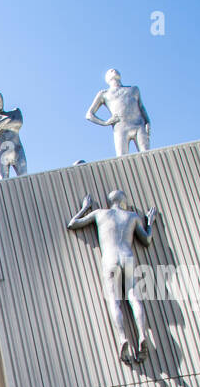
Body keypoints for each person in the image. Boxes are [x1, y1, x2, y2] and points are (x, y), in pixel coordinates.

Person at [67, 189, 158, 364]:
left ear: (110, 202)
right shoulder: (132, 216)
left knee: (113, 300)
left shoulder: (100, 213)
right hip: (127, 256)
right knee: (134, 297)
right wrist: (150, 222)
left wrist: (85, 207)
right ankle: (142, 335)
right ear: (123, 201)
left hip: (109, 258)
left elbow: (73, 223)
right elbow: (146, 240)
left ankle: (122, 338)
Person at [85, 68, 151, 157]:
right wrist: (105, 122)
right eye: (110, 71)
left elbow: (141, 107)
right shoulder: (104, 94)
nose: (113, 70)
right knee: (122, 158)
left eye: (115, 70)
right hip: (121, 128)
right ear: (107, 79)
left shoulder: (133, 89)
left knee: (147, 155)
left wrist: (148, 122)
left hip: (138, 125)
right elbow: (89, 114)